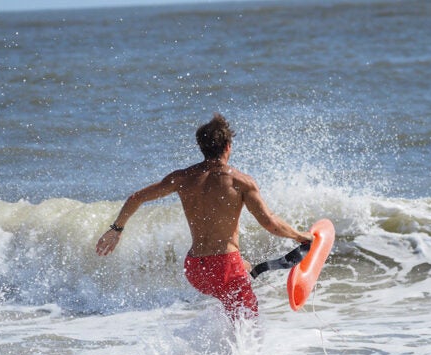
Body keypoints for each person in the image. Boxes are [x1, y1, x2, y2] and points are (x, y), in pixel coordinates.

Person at [96, 113, 313, 321]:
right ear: (228, 146)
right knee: (249, 321)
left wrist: (116, 230)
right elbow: (270, 223)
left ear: (201, 147)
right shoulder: (241, 182)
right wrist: (298, 236)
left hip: (195, 269)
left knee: (237, 288)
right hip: (224, 267)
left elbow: (136, 198)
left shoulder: (182, 177)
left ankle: (215, 351)